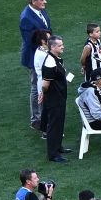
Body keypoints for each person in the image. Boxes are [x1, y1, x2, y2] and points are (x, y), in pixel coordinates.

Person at [20, 0, 52, 126]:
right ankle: (36, 119)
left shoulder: (40, 10)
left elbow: (47, 30)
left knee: (46, 83)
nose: (45, 1)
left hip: (46, 52)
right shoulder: (26, 18)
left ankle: (46, 112)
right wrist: (46, 52)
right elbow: (30, 41)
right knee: (36, 87)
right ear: (33, 1)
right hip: (35, 57)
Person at [36, 34, 68, 163]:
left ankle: (58, 147)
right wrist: (43, 93)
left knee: (59, 123)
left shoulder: (56, 58)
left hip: (59, 97)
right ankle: (53, 154)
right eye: (60, 45)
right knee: (54, 126)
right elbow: (45, 84)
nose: (62, 47)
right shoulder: (50, 61)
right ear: (52, 47)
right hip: (54, 99)